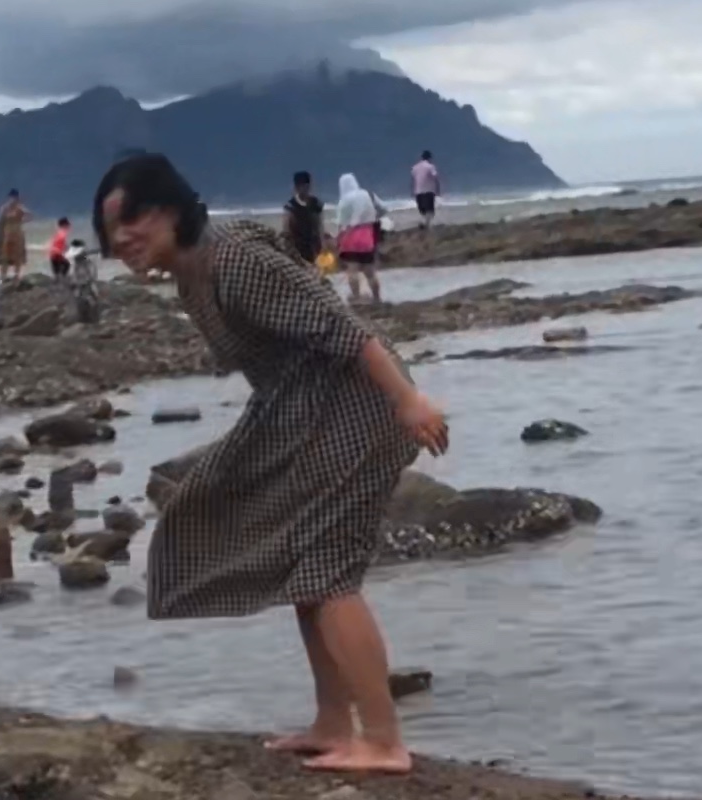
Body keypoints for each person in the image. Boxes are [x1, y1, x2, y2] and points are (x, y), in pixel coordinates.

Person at [90, 153, 449, 776]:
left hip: (358, 407)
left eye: (132, 221)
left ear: (170, 208)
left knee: (329, 571)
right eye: (111, 231)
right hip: (303, 411)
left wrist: (408, 401)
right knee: (302, 567)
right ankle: (334, 722)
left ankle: (385, 741)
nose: (121, 240)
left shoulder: (234, 259)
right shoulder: (195, 267)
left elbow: (343, 327)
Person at [334, 173, 386, 304]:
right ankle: (377, 298)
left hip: (350, 237)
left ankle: (356, 297)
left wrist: (338, 241)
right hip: (367, 236)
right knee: (370, 272)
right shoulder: (366, 194)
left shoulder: (344, 200)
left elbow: (341, 223)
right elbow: (382, 210)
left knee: (352, 270)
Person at [283, 171, 326, 264]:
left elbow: (320, 224)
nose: (305, 189)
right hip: (297, 244)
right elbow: (286, 228)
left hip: (313, 243)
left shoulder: (316, 203)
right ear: (296, 187)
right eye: (301, 186)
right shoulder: (291, 205)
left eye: (307, 186)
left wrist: (322, 243)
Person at [0, 189, 30, 285]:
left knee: (17, 256)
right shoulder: (5, 208)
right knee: (5, 257)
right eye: (12, 197)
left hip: (18, 234)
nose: (13, 199)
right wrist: (0, 236)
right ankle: (3, 277)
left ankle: (16, 276)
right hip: (8, 234)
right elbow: (1, 222)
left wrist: (21, 221)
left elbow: (30, 215)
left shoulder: (20, 208)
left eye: (15, 197)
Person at [65, 238, 101, 325]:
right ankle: (83, 319)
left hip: (86, 285)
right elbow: (72, 274)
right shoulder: (75, 262)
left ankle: (92, 319)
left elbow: (91, 275)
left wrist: (87, 281)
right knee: (79, 301)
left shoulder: (87, 262)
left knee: (90, 300)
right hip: (79, 285)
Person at [409, 151, 441, 231]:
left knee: (422, 210)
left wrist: (412, 191)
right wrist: (438, 189)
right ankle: (426, 224)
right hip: (429, 191)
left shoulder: (415, 167)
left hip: (418, 191)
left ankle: (425, 224)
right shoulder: (430, 166)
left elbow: (413, 180)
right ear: (429, 158)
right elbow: (435, 178)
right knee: (430, 210)